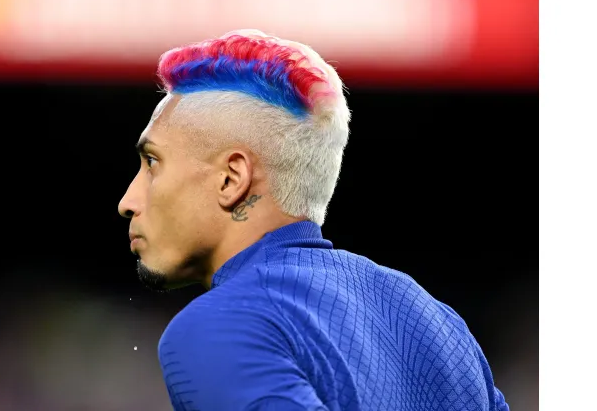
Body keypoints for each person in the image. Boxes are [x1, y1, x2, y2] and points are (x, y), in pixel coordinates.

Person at [118, 29, 509, 411]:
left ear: (230, 179)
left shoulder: (216, 330)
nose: (127, 201)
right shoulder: (440, 325)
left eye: (152, 163)